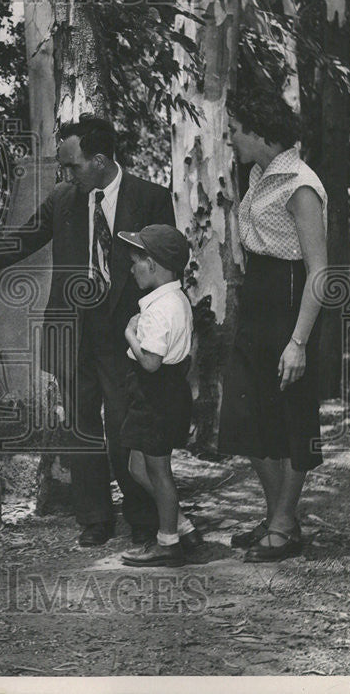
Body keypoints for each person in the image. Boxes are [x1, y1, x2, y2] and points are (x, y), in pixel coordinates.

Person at [0, 115, 176, 547]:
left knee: (129, 431)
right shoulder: (64, 199)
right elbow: (18, 242)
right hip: (73, 332)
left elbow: (167, 266)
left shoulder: (151, 198)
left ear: (100, 160)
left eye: (72, 165)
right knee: (80, 428)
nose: (65, 174)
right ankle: (95, 519)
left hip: (128, 336)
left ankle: (143, 518)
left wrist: (165, 332)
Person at [217, 84, 328, 562]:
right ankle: (276, 515)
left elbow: (320, 272)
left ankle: (284, 522)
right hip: (258, 303)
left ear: (260, 132)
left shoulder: (301, 183)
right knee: (247, 414)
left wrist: (298, 342)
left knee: (291, 416)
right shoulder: (261, 175)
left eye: (235, 131)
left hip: (291, 305)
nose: (231, 140)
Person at [115, 225, 202, 567]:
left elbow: (150, 361)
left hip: (156, 395)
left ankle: (168, 542)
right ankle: (182, 525)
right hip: (161, 394)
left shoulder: (160, 308)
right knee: (139, 467)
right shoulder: (174, 298)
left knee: (158, 470)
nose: (131, 267)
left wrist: (129, 332)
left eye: (136, 260)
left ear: (153, 265)